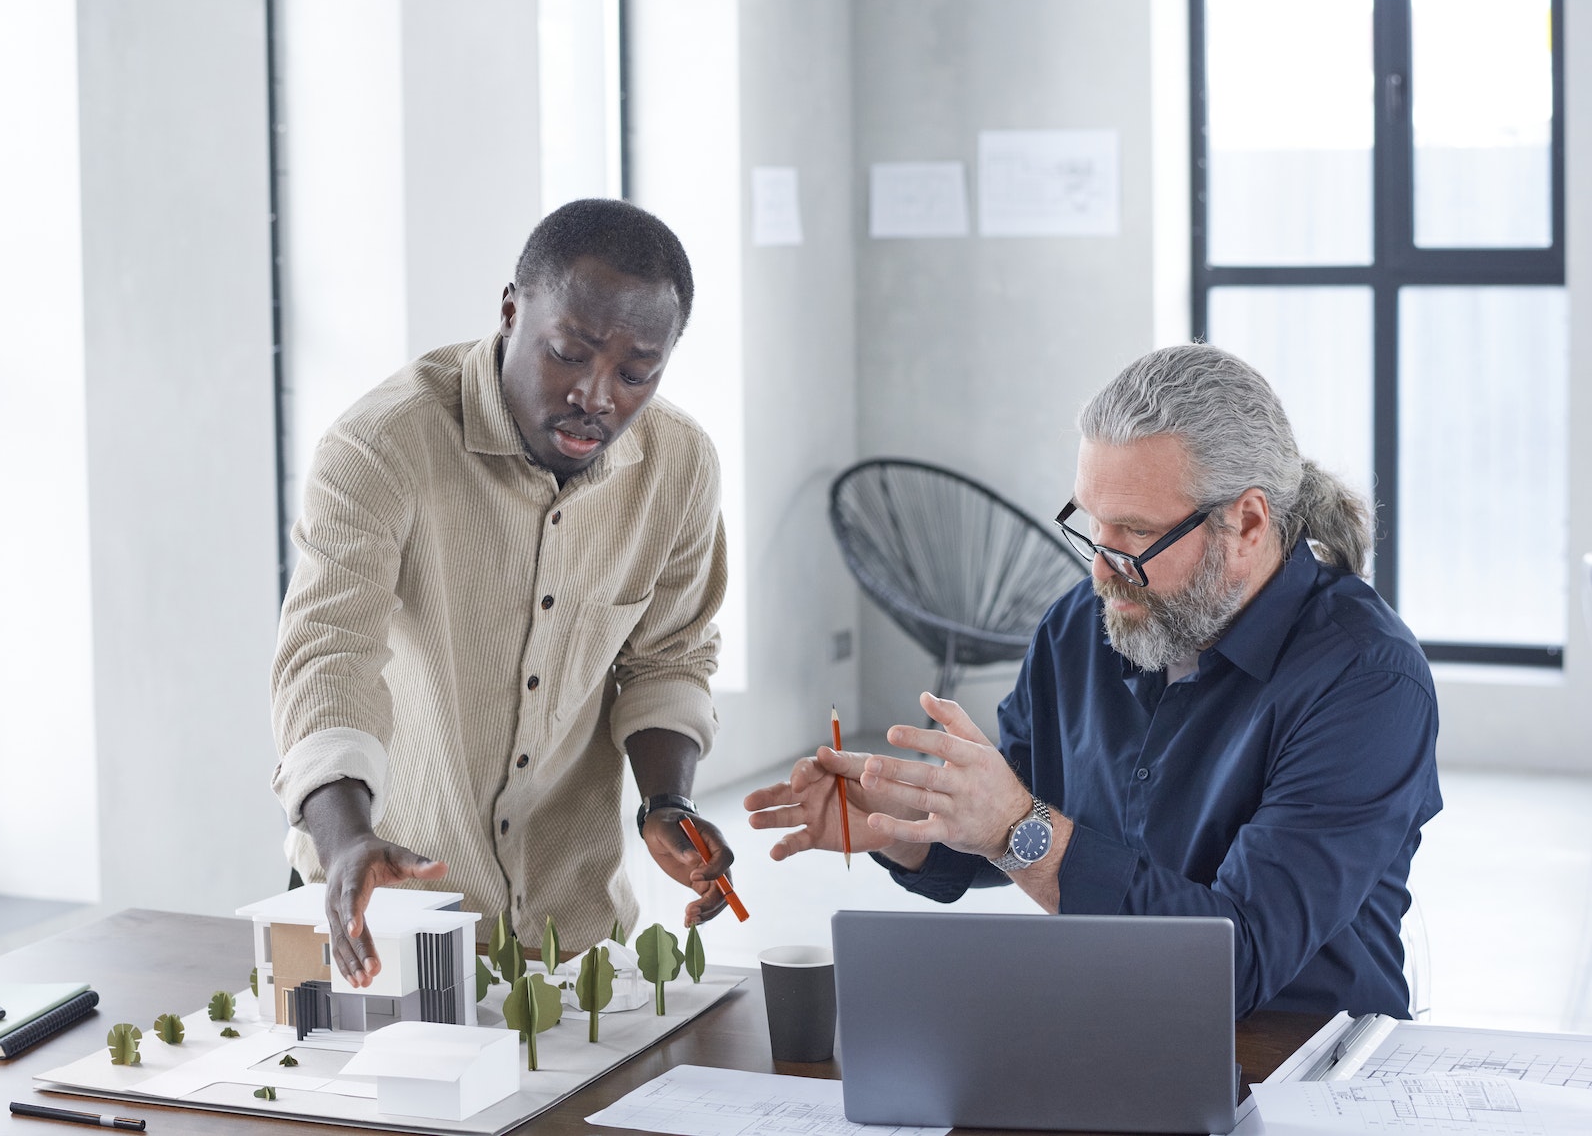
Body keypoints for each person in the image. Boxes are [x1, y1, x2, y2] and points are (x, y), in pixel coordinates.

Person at [746, 344, 1441, 1018]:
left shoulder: (1368, 681)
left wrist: (1019, 825)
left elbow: (1233, 960)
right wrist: (906, 823)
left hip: (1300, 1063)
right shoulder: (1083, 623)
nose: (1101, 570)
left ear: (1248, 522)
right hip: (1106, 1025)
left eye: (1135, 534)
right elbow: (1015, 830)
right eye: (1092, 524)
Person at [271, 198, 734, 989]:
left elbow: (670, 657)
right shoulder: (381, 444)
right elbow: (330, 657)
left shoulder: (680, 465)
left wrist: (667, 800)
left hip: (575, 932)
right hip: (383, 914)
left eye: (635, 372)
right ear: (512, 311)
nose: (597, 394)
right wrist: (346, 837)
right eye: (568, 352)